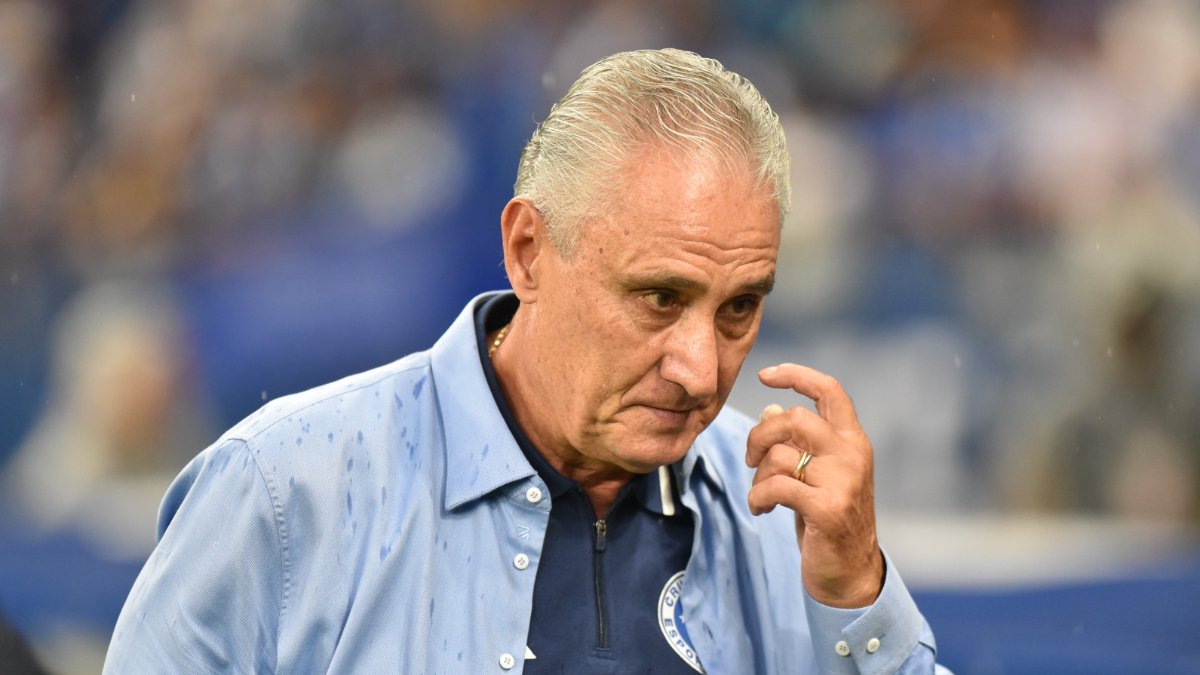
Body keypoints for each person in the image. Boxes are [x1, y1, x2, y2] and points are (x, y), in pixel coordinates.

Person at [104, 48, 946, 674]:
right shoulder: (284, 494)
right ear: (529, 252)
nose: (699, 369)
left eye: (739, 308)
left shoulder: (786, 524)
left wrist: (856, 597)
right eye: (658, 297)